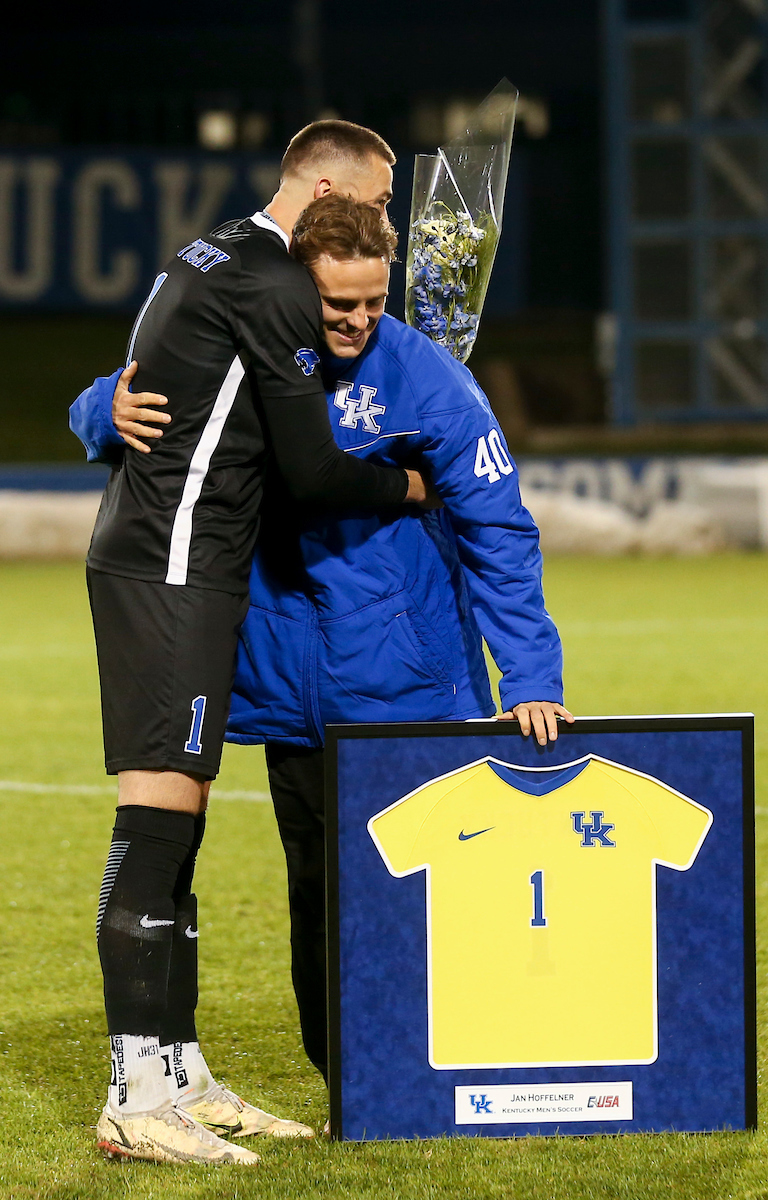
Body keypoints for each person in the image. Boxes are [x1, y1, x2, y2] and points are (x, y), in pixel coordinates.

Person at [74, 194, 572, 1093]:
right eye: (338, 305)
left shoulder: (425, 379)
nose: (355, 322)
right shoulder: (253, 347)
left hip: (407, 689)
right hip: (291, 690)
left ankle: (452, 1059)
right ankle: (348, 1071)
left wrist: (530, 672)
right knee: (316, 893)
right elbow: (120, 391)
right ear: (299, 287)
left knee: (423, 884)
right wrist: (105, 411)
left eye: (373, 303)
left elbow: (500, 528)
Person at [71, 121, 433, 1166]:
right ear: (323, 188)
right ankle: (135, 1098)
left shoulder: (209, 247)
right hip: (173, 569)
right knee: (156, 823)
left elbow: (151, 381)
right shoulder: (274, 286)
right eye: (372, 205)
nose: (381, 227)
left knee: (177, 828)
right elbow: (313, 471)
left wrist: (101, 405)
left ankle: (177, 1072)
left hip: (169, 561)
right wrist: (409, 482)